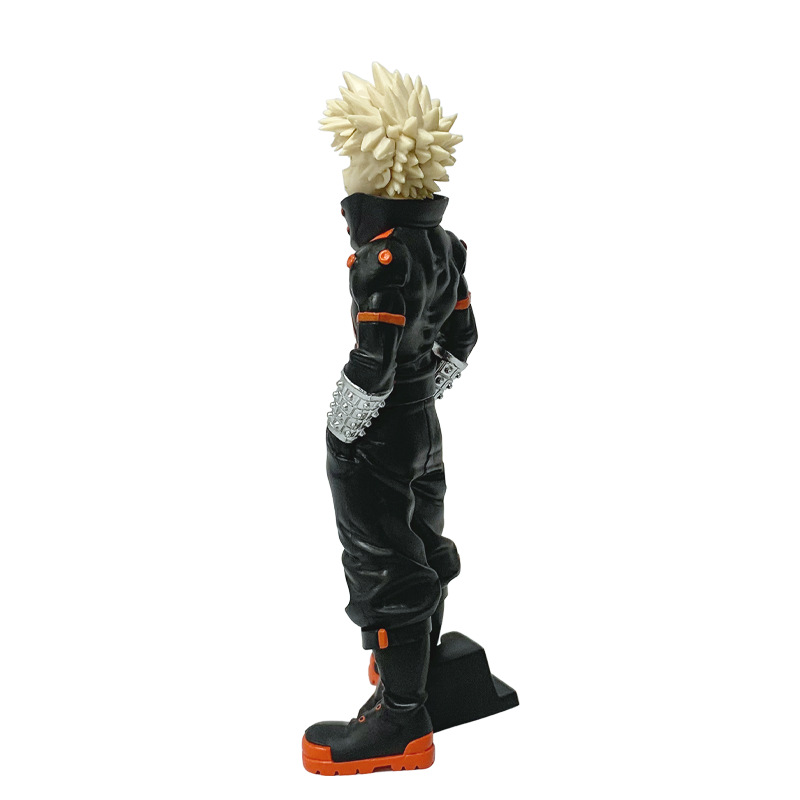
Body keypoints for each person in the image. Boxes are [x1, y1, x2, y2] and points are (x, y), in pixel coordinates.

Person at [302, 63, 477, 776]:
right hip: (423, 429)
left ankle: (402, 720)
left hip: (380, 434)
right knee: (421, 544)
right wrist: (425, 392)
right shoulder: (445, 245)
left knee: (383, 563)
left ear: (372, 166)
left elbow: (371, 362)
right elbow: (463, 339)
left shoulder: (384, 258)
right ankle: (416, 673)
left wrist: (342, 430)